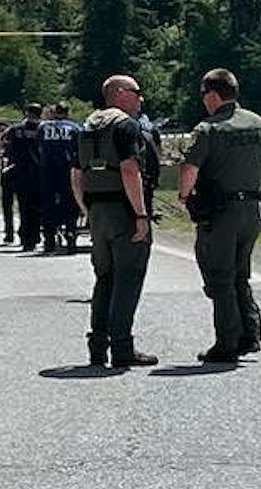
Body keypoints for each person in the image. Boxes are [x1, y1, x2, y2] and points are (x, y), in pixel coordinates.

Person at [178, 68, 261, 363]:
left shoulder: (208, 129)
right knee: (241, 273)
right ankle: (249, 333)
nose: (203, 101)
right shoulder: (259, 124)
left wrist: (183, 195)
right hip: (252, 210)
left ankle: (227, 342)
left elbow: (189, 169)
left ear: (214, 95)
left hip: (221, 213)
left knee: (220, 277)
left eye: (204, 95)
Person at [70, 75, 157, 367]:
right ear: (119, 93)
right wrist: (141, 215)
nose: (139, 98)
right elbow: (130, 170)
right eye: (136, 92)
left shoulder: (86, 126)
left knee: (104, 278)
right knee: (128, 278)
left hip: (97, 211)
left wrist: (87, 209)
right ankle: (122, 347)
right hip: (124, 210)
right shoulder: (125, 125)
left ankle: (97, 345)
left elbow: (76, 175)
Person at [0, 102, 42, 249]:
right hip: (38, 172)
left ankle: (12, 233)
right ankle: (34, 235)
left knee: (14, 203)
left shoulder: (14, 130)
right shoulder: (44, 129)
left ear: (27, 113)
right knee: (35, 205)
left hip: (17, 170)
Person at [37, 102, 81, 253]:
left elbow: (39, 147)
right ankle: (70, 234)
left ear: (55, 112)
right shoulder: (75, 128)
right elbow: (79, 149)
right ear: (67, 112)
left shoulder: (43, 127)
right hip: (67, 170)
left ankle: (49, 238)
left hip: (48, 170)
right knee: (70, 203)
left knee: (47, 204)